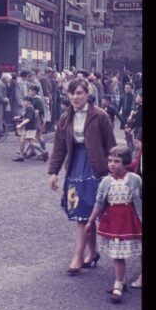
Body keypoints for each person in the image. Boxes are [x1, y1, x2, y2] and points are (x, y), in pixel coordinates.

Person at [48, 78, 117, 275]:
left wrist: (116, 171)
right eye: (71, 93)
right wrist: (53, 172)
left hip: (97, 168)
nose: (75, 97)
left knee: (92, 212)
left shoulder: (100, 116)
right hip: (76, 167)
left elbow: (111, 146)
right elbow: (59, 148)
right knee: (81, 213)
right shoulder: (64, 118)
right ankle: (87, 252)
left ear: (87, 94)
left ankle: (84, 253)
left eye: (79, 93)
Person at [85, 146, 142, 304]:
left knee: (121, 254)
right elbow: (99, 202)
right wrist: (90, 221)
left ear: (125, 162)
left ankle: (119, 283)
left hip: (129, 221)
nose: (112, 164)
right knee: (116, 253)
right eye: (110, 161)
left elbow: (140, 198)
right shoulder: (105, 181)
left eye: (116, 161)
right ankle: (120, 281)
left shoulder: (134, 179)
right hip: (112, 221)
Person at [12, 96, 49, 162]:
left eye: (24, 101)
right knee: (22, 140)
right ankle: (21, 156)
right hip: (27, 127)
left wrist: (20, 125)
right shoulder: (27, 108)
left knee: (31, 143)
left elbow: (28, 119)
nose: (23, 102)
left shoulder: (30, 109)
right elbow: (25, 115)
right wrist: (18, 117)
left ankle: (44, 152)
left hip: (30, 128)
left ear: (29, 102)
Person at [117, 82, 135, 150]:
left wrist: (131, 116)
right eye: (125, 87)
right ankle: (129, 145)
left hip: (130, 116)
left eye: (128, 88)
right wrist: (116, 114)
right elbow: (119, 106)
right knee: (126, 132)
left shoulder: (133, 97)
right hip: (123, 116)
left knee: (128, 131)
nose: (126, 89)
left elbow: (134, 108)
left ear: (131, 89)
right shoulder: (122, 96)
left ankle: (130, 147)